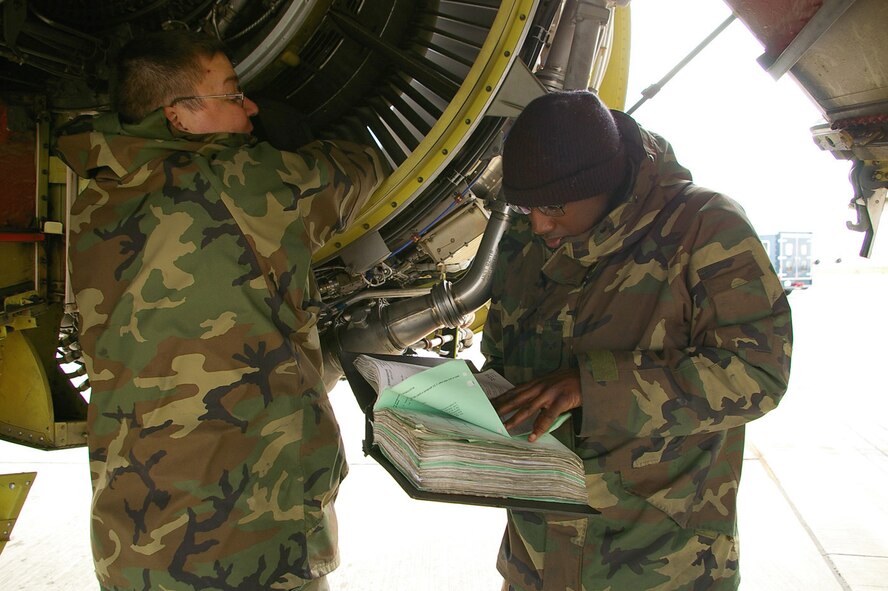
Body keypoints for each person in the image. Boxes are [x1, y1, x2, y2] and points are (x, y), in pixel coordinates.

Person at [53, 30, 386, 591]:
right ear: (180, 117)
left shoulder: (96, 198)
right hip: (252, 538)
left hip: (133, 538)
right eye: (233, 94)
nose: (250, 106)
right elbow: (363, 167)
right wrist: (293, 138)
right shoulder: (250, 183)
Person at [483, 90, 792, 590]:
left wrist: (593, 386)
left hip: (658, 566)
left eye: (554, 206)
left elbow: (759, 374)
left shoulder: (704, 228)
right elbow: (501, 354)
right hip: (536, 563)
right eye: (527, 206)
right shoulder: (528, 242)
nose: (540, 223)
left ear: (601, 184)